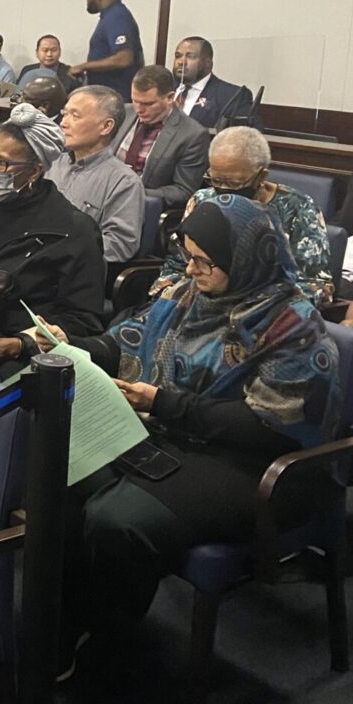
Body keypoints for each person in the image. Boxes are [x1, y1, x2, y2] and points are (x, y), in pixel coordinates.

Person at [45, 197, 342, 672]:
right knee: (67, 476)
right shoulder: (187, 294)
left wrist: (163, 403)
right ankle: (64, 622)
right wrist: (69, 345)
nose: (192, 268)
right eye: (188, 255)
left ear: (245, 258)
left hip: (259, 464)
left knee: (117, 520)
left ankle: (105, 641)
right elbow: (130, 339)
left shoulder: (292, 324)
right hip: (180, 432)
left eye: (206, 261)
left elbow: (272, 425)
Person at [0, 105, 105, 374]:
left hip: (17, 359)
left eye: (1, 163)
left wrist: (18, 344)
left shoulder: (72, 231)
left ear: (35, 171)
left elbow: (82, 320)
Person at [155, 126, 332, 305]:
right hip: (197, 301)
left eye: (234, 182)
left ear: (262, 175)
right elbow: (177, 264)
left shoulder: (297, 208)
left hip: (261, 311)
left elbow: (314, 284)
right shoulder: (203, 200)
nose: (223, 189)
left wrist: (249, 306)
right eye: (216, 180)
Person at [49, 86, 144, 263]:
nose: (63, 123)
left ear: (106, 127)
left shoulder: (124, 182)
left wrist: (61, 252)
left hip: (73, 274)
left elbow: (120, 245)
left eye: (75, 116)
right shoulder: (52, 164)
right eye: (64, 114)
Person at [115, 65, 210, 210]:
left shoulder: (192, 135)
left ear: (170, 98)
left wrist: (132, 194)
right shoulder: (122, 114)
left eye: (148, 103)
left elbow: (183, 191)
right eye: (135, 100)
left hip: (142, 208)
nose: (139, 109)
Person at [70, 0, 143, 100]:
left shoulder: (117, 17)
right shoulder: (110, 16)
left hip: (116, 96)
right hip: (108, 95)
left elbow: (124, 58)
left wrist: (83, 67)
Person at [171, 35, 258, 129]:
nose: (181, 62)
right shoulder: (165, 88)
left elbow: (244, 136)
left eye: (190, 56)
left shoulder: (233, 96)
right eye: (178, 56)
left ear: (208, 63)